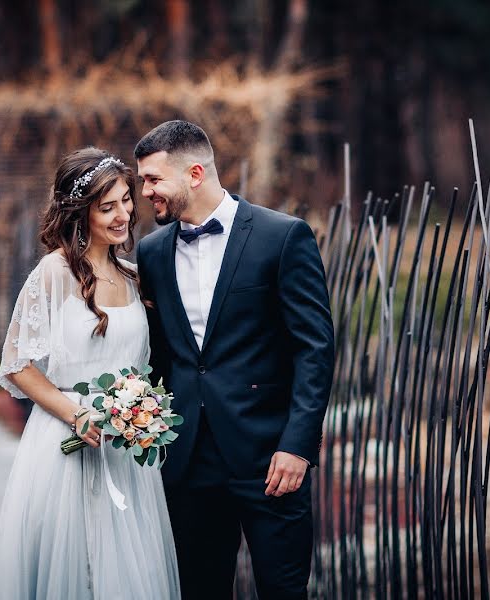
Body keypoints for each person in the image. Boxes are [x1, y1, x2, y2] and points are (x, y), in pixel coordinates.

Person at [135, 120, 334, 599]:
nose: (145, 193)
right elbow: (161, 355)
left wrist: (298, 446)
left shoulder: (282, 237)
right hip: (187, 463)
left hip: (271, 459)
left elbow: (315, 348)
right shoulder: (152, 252)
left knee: (283, 590)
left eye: (153, 180)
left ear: (195, 174)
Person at [0, 147, 181, 599]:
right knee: (75, 571)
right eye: (107, 206)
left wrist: (141, 412)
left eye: (126, 201)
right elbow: (17, 364)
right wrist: (76, 414)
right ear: (80, 212)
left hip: (126, 451)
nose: (123, 215)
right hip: (64, 447)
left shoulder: (134, 277)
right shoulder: (53, 273)